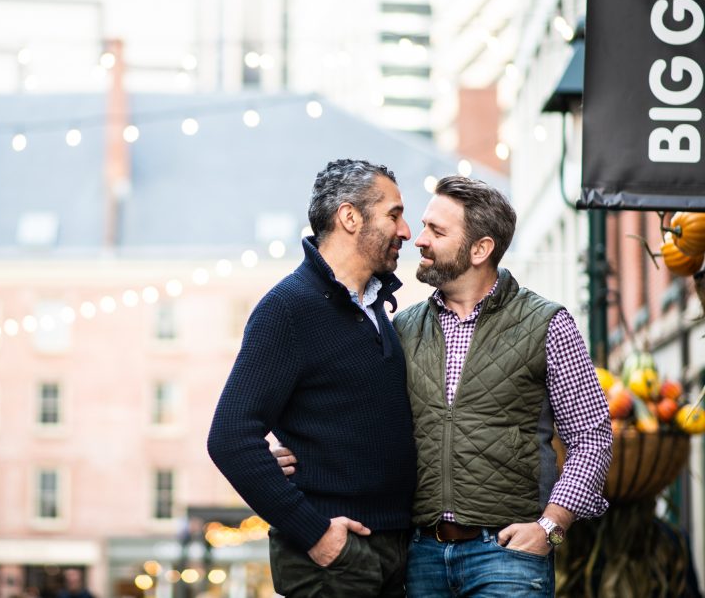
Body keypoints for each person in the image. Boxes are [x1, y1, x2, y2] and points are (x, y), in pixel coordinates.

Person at [276, 175, 612, 597]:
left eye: (437, 231)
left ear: (480, 249)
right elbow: (356, 414)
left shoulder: (548, 324)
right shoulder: (401, 327)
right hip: (419, 557)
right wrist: (292, 448)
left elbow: (591, 438)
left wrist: (551, 528)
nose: (418, 240)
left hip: (507, 555)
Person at [208, 159, 417, 597]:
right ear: (349, 217)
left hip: (397, 549)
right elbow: (230, 437)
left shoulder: (376, 307)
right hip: (335, 560)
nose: (406, 231)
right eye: (394, 214)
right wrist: (316, 534)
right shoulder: (288, 309)